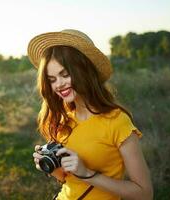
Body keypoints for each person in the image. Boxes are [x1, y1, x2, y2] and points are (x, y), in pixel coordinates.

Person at [28, 29, 153, 200]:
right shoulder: (64, 118)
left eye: (65, 75)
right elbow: (67, 180)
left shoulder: (117, 121)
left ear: (84, 71)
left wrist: (87, 173)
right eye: (52, 79)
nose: (59, 85)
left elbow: (144, 194)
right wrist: (54, 168)